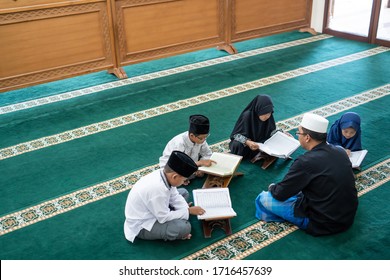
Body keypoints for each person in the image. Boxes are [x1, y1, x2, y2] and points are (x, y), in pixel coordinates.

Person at [255, 113, 358, 236]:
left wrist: (272, 187)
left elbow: (280, 194)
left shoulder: (305, 161)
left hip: (321, 223)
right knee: (299, 190)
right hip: (347, 217)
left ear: (307, 137)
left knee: (263, 198)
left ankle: (287, 218)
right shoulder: (340, 152)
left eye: (298, 133)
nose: (297, 136)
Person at [124, 151, 206, 242]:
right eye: (184, 180)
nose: (184, 182)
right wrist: (188, 211)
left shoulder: (163, 174)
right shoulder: (157, 190)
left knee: (183, 192)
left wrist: (185, 209)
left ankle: (179, 215)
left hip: (155, 208)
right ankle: (178, 230)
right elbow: (163, 218)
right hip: (144, 224)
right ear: (174, 176)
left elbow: (175, 196)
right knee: (184, 228)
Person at [159, 115, 215, 183]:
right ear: (192, 135)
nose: (204, 140)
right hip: (172, 169)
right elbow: (177, 165)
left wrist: (201, 168)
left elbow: (207, 154)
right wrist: (199, 163)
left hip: (190, 168)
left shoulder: (201, 140)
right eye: (201, 138)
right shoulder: (179, 143)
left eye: (206, 137)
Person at [229, 94, 277, 160]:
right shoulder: (247, 116)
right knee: (237, 145)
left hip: (261, 143)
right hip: (247, 145)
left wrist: (282, 133)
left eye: (269, 114)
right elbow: (235, 135)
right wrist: (248, 142)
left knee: (276, 141)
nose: (267, 116)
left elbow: (272, 131)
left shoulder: (269, 115)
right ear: (258, 109)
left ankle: (260, 153)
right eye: (264, 113)